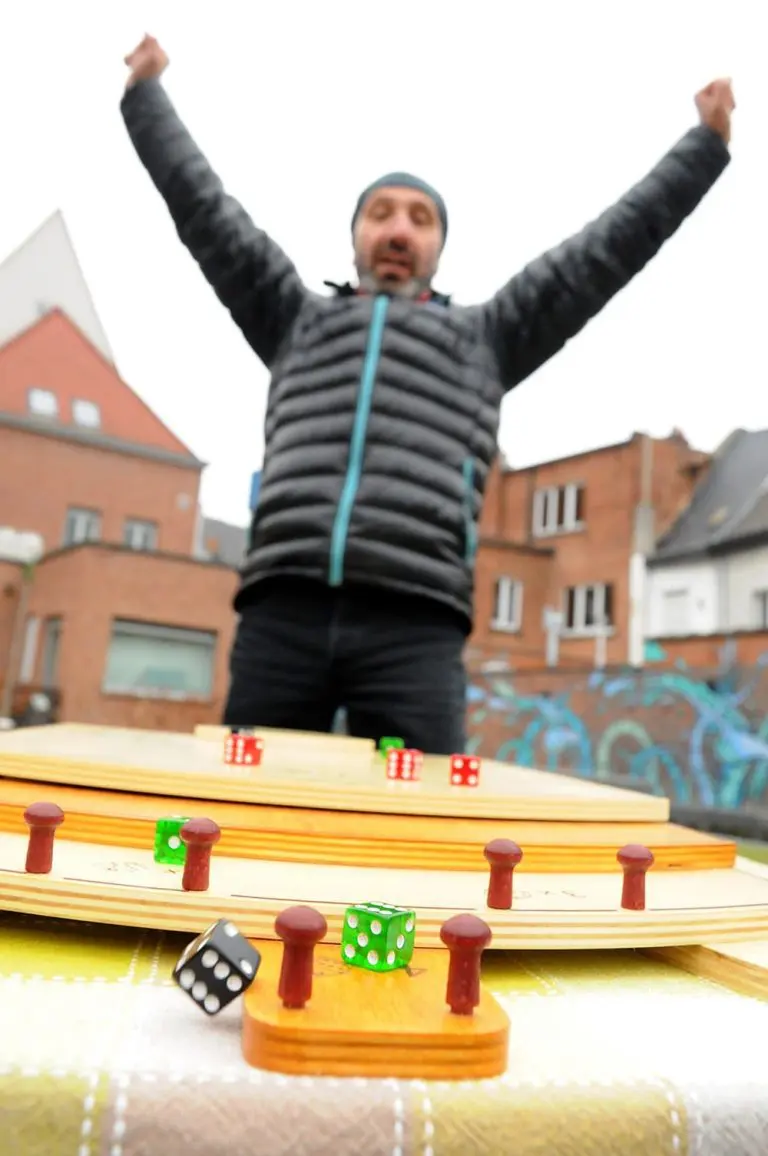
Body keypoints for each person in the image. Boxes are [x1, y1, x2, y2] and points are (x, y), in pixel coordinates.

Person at [120, 35, 735, 754]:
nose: (398, 229)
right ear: (355, 234)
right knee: (248, 803)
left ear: (439, 244)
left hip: (415, 627)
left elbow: (603, 253)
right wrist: (145, 95)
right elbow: (204, 210)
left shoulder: (486, 340)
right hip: (283, 612)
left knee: (421, 812)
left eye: (420, 218)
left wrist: (704, 147)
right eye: (381, 213)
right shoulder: (294, 320)